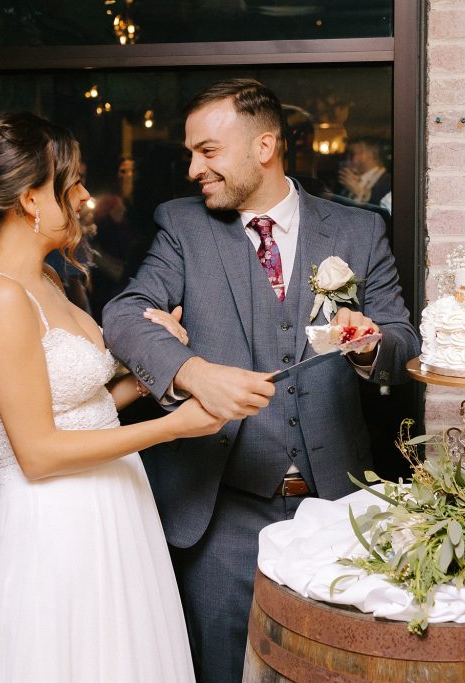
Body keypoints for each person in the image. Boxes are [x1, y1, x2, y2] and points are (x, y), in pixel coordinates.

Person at [102, 79, 419, 683]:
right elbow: (123, 313)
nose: (195, 168)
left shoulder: (358, 232)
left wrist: (369, 343)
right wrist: (192, 372)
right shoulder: (183, 228)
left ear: (265, 145)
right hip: (222, 514)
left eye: (209, 151)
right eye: (192, 153)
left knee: (331, 669)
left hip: (336, 512)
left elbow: (404, 341)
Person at [0, 111, 224, 682]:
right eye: (72, 184)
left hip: (111, 507)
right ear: (29, 201)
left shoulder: (47, 279)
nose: (86, 196)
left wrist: (145, 379)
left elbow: (82, 411)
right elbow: (38, 453)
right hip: (56, 525)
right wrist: (176, 425)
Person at [337, 136, 392, 208]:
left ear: (372, 154)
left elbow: (384, 212)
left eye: (354, 154)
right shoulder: (350, 180)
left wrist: (359, 193)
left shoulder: (389, 182)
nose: (349, 159)